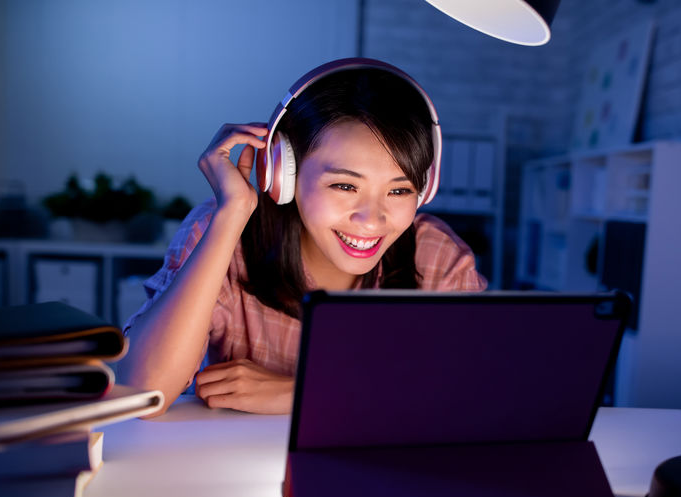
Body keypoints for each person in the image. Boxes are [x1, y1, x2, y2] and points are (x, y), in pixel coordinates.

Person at [118, 58, 487, 416]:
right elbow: (143, 390)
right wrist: (231, 212)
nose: (372, 219)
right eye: (344, 185)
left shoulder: (436, 258)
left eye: (400, 191)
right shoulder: (223, 233)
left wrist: (303, 393)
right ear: (283, 174)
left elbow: (480, 393)